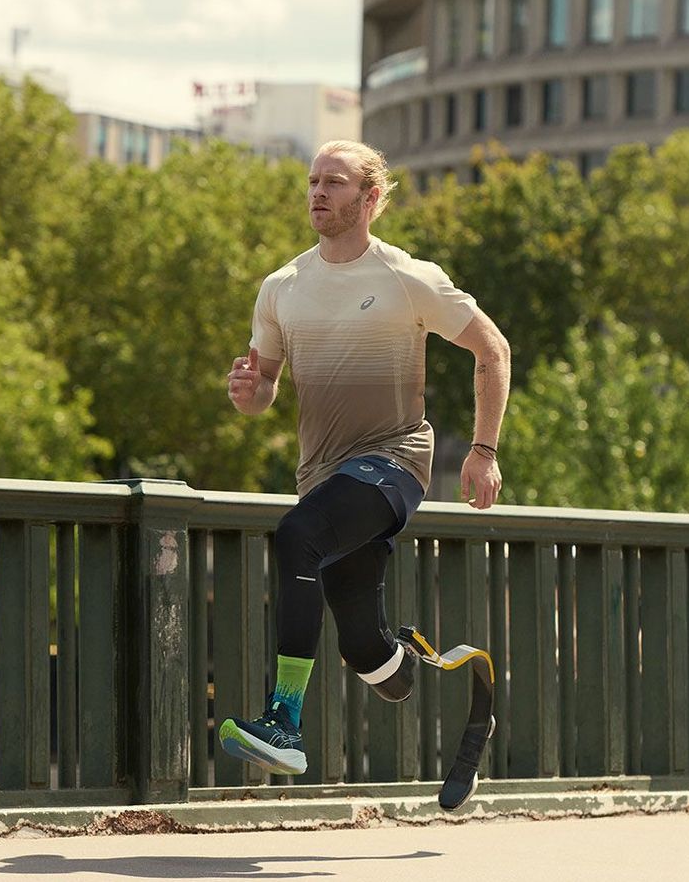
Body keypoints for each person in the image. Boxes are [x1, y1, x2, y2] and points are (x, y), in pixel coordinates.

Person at [218, 140, 511, 776]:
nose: (318, 192)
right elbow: (263, 385)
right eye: (313, 180)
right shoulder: (282, 287)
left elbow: (493, 349)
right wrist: (250, 392)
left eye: (336, 182)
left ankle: (285, 722)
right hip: (323, 477)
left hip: (394, 462)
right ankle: (403, 661)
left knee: (297, 535)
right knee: (363, 649)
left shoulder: (409, 278)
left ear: (370, 199)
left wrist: (483, 451)